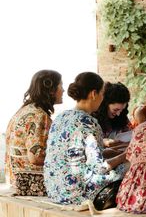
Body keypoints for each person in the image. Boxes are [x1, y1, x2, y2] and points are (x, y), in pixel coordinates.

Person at [44, 72, 127, 205]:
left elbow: (79, 156)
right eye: (102, 94)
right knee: (126, 167)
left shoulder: (61, 117)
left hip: (54, 189)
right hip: (76, 194)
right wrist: (125, 156)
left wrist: (115, 153)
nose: (102, 99)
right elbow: (99, 167)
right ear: (94, 94)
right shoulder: (88, 122)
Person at [4, 70, 64, 196]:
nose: (63, 90)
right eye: (61, 86)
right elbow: (35, 157)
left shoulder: (25, 110)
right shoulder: (38, 115)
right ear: (51, 90)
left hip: (15, 181)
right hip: (30, 185)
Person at [93, 82, 132, 146]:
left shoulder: (122, 117)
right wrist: (103, 142)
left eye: (121, 110)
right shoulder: (92, 120)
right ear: (105, 104)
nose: (118, 114)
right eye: (115, 110)